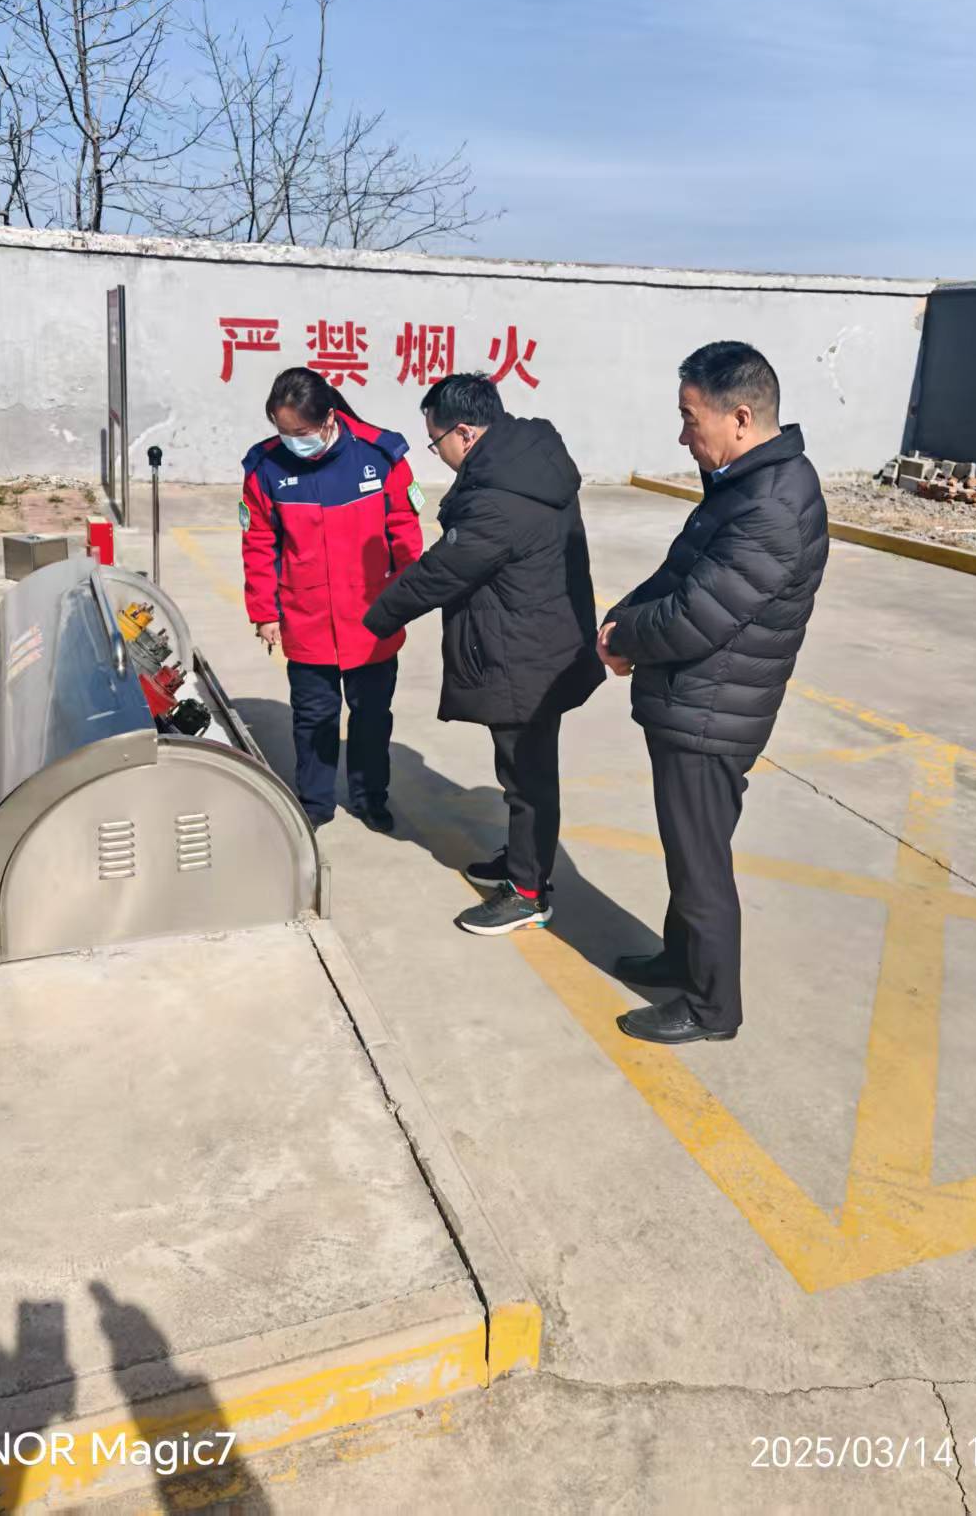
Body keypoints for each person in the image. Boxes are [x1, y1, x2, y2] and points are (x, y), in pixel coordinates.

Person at [598, 341, 828, 1044]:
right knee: (690, 850)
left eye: (689, 418)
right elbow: (682, 574)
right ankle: (682, 960)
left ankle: (710, 1007)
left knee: (700, 863)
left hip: (710, 714)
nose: (682, 436)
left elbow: (697, 616)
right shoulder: (747, 483)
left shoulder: (772, 505)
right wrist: (625, 617)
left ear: (740, 417)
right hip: (703, 703)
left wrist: (625, 635)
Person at [363, 374, 605, 935]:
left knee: (527, 778)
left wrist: (375, 618)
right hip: (538, 641)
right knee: (524, 771)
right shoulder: (527, 465)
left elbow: (442, 571)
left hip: (524, 654)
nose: (438, 453)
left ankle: (528, 893)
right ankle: (524, 862)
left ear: (466, 433)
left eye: (436, 441)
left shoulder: (499, 500)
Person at [241, 367, 424, 832]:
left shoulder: (380, 456)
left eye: (301, 433)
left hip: (372, 618)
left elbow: (405, 533)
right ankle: (315, 802)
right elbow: (259, 544)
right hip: (307, 619)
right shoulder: (265, 469)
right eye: (283, 432)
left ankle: (370, 797)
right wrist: (264, 613)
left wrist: (403, 599)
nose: (293, 443)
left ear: (328, 419)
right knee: (313, 718)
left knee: (371, 716)